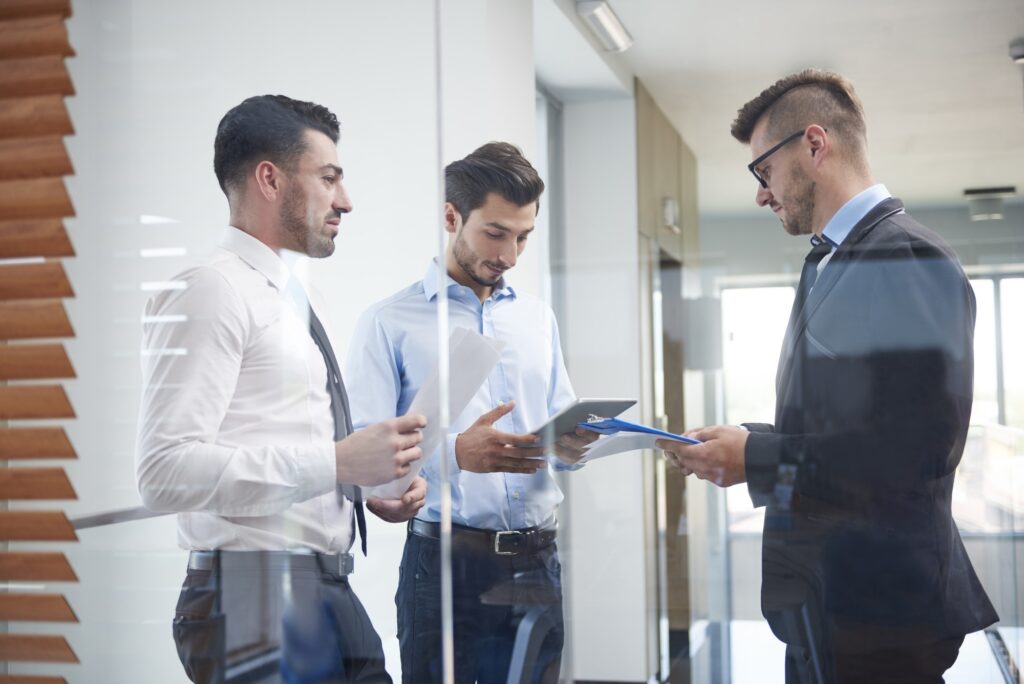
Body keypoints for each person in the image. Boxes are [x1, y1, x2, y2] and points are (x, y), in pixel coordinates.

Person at [658, 69, 998, 683]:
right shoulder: (834, 259)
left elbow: (915, 451)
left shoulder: (905, 256)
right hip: (832, 608)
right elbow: (850, 429)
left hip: (880, 620)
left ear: (815, 145)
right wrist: (741, 441)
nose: (762, 193)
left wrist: (758, 458)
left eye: (763, 170)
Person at [135, 94, 427, 684]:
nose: (346, 201)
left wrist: (360, 484)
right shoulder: (210, 289)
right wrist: (334, 461)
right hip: (252, 598)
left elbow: (283, 443)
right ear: (269, 179)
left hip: (323, 587)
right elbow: (163, 472)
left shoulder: (296, 297)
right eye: (328, 178)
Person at [345, 142, 594, 683]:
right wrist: (456, 454)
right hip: (446, 566)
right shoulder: (388, 323)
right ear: (451, 217)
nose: (509, 255)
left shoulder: (536, 319)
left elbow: (558, 418)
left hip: (538, 562)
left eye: (523, 237)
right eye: (496, 233)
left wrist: (573, 443)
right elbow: (364, 459)